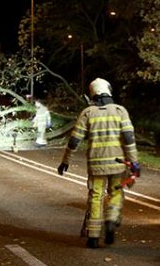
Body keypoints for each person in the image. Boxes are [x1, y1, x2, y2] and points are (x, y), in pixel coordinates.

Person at [58, 78, 140, 248]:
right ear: (109, 91)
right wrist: (134, 162)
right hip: (117, 164)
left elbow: (74, 140)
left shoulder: (88, 113)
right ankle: (110, 220)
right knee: (115, 193)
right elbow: (128, 138)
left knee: (96, 197)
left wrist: (65, 161)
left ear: (93, 94)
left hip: (96, 166)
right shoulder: (120, 111)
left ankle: (93, 237)